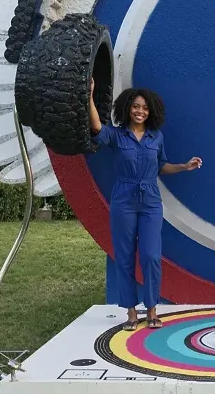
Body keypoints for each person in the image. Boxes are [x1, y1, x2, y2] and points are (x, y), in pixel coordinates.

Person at [87, 79, 202, 330]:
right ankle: (131, 312)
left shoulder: (156, 137)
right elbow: (96, 127)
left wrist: (184, 166)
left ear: (151, 111)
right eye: (136, 106)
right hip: (123, 199)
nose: (140, 111)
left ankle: (152, 310)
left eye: (145, 108)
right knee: (125, 257)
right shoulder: (117, 134)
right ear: (128, 108)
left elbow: (161, 166)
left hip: (150, 201)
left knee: (151, 256)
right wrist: (89, 95)